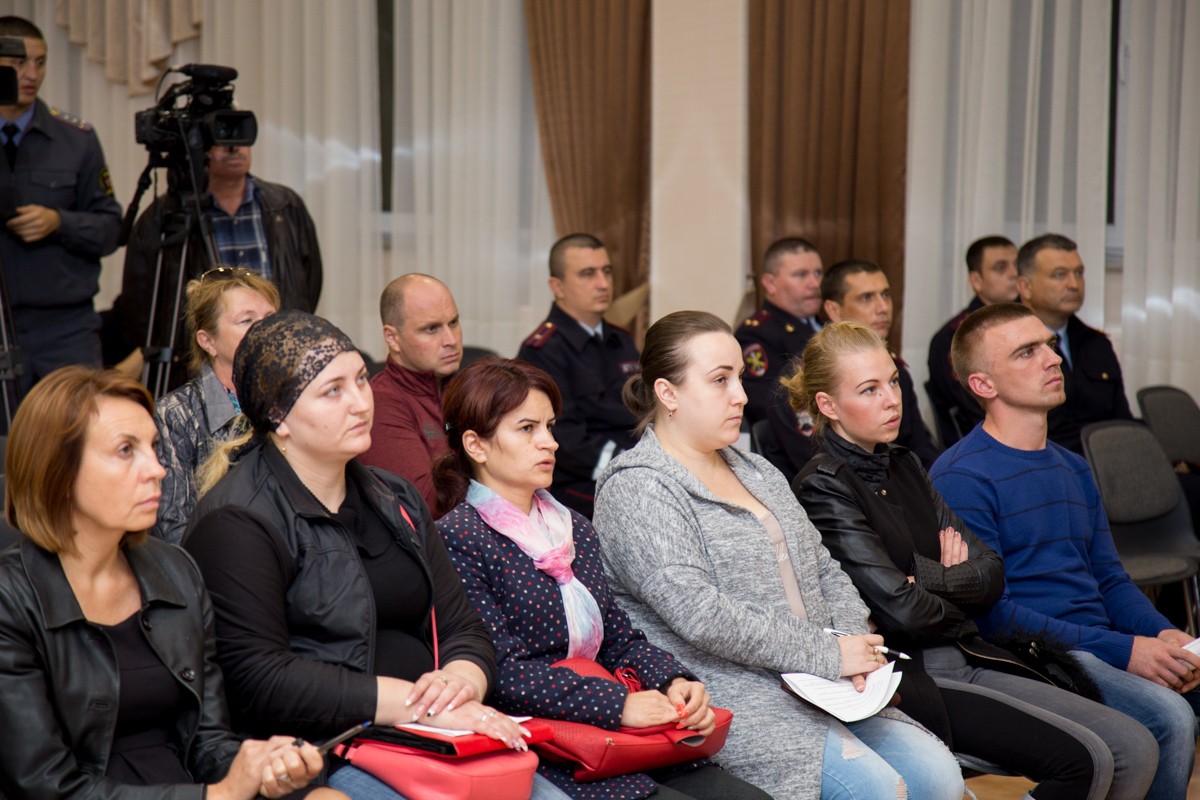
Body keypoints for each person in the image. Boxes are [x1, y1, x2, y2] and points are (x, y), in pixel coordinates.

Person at [183, 311, 566, 800]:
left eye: (362, 380)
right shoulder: (238, 518)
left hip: (431, 735)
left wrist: (460, 682)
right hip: (321, 753)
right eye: (333, 391)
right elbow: (260, 679)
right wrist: (418, 704)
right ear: (278, 415)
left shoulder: (396, 498)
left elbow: (462, 628)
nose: (361, 403)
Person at [592, 310, 965, 800]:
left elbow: (823, 566)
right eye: (720, 380)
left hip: (825, 679)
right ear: (668, 393)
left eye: (739, 377)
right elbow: (701, 615)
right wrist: (827, 654)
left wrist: (854, 643)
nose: (741, 395)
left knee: (939, 777)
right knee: (875, 788)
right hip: (730, 692)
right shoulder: (638, 487)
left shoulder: (757, 470)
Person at [790, 321, 1158, 799]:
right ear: (827, 405)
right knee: (1097, 758)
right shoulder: (823, 485)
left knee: (1135, 746)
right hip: (912, 674)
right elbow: (902, 612)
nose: (892, 399)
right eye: (870, 389)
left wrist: (923, 579)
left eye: (893, 382)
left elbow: (990, 574)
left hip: (970, 651)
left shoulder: (905, 463)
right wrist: (951, 584)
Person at [432, 356, 773, 800]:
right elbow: (502, 672)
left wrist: (674, 682)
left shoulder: (573, 526)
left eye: (550, 426)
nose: (549, 442)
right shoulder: (458, 538)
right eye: (527, 429)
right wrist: (616, 705)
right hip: (543, 740)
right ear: (476, 445)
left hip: (618, 730)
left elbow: (617, 638)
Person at [0, 366, 341, 800]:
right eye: (126, 450)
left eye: (154, 447)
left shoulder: (175, 570)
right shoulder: (10, 597)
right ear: (57, 471)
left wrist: (262, 770)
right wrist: (217, 796)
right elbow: (45, 786)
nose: (158, 469)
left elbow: (208, 741)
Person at [930, 301, 1200, 799]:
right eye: (1026, 352)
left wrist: (1162, 633)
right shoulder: (961, 477)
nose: (1053, 358)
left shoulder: (1073, 467)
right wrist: (1125, 651)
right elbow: (993, 616)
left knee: (1185, 682)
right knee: (1169, 717)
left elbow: (1111, 580)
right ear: (983, 384)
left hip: (1095, 644)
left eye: (1050, 346)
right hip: (1033, 657)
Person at [112, 143, 323, 391]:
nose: (234, 148)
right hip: (194, 368)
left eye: (241, 137)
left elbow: (308, 282)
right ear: (200, 149)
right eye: (222, 140)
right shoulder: (169, 214)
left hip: (280, 365)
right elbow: (138, 303)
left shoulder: (284, 205)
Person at [0, 16, 121, 398]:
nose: (31, 74)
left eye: (40, 62)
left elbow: (111, 229)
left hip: (65, 328)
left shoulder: (76, 139)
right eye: (18, 63)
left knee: (78, 426)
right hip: (3, 321)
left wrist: (59, 222)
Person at [152, 266, 279, 544]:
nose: (265, 329)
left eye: (270, 318)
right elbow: (174, 531)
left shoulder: (294, 398)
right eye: (246, 320)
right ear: (208, 341)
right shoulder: (174, 414)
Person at [516, 233, 640, 518]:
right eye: (588, 274)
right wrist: (630, 466)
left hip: (633, 471)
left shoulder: (621, 340)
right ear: (557, 287)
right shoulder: (542, 350)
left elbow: (643, 413)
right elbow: (565, 440)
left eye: (606, 271)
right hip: (578, 489)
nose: (603, 283)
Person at [1014, 232, 1132, 454]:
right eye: (1060, 275)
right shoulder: (1009, 347)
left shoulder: (1096, 344)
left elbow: (1122, 421)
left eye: (1079, 273)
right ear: (1025, 286)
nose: (1074, 284)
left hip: (1108, 462)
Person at [358, 273, 463, 514]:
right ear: (393, 338)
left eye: (453, 323)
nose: (451, 340)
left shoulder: (465, 387)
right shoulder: (380, 404)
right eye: (431, 329)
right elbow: (425, 505)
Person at [926, 236, 1018, 446]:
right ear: (976, 281)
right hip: (984, 445)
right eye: (1000, 268)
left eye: (1016, 265)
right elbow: (979, 409)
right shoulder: (957, 338)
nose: (1014, 274)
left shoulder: (1028, 323)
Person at [735, 237, 824, 424]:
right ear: (770, 283)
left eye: (818, 273)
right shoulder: (756, 334)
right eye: (801, 275)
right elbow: (765, 404)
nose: (815, 284)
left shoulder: (825, 324)